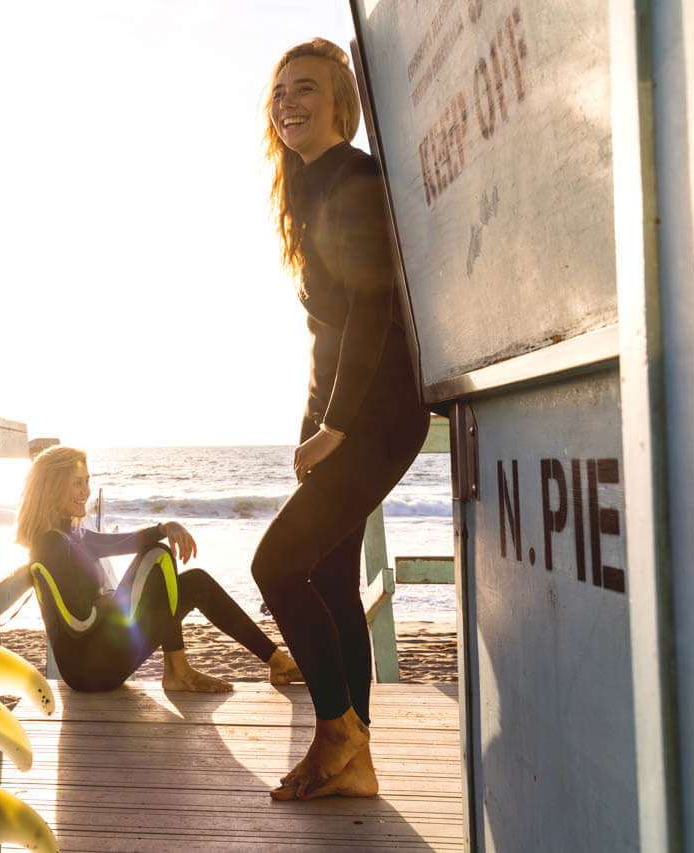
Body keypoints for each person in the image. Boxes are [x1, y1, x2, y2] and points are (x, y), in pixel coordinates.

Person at [251, 38, 430, 802]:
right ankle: (352, 754)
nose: (289, 103)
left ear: (342, 106)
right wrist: (312, 417)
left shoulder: (353, 179)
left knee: (276, 565)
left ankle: (339, 732)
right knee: (325, 571)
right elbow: (326, 328)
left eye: (308, 91)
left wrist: (339, 425)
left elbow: (370, 308)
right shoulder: (306, 182)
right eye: (281, 92)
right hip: (344, 409)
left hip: (379, 415)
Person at [16, 446, 302, 693]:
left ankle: (278, 664)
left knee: (194, 582)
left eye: (87, 481)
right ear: (52, 487)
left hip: (99, 657)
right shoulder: (52, 544)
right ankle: (178, 672)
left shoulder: (71, 535)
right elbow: (78, 623)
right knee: (159, 556)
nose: (86, 492)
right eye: (77, 483)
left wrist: (166, 528)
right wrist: (112, 601)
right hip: (91, 671)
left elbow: (121, 542)